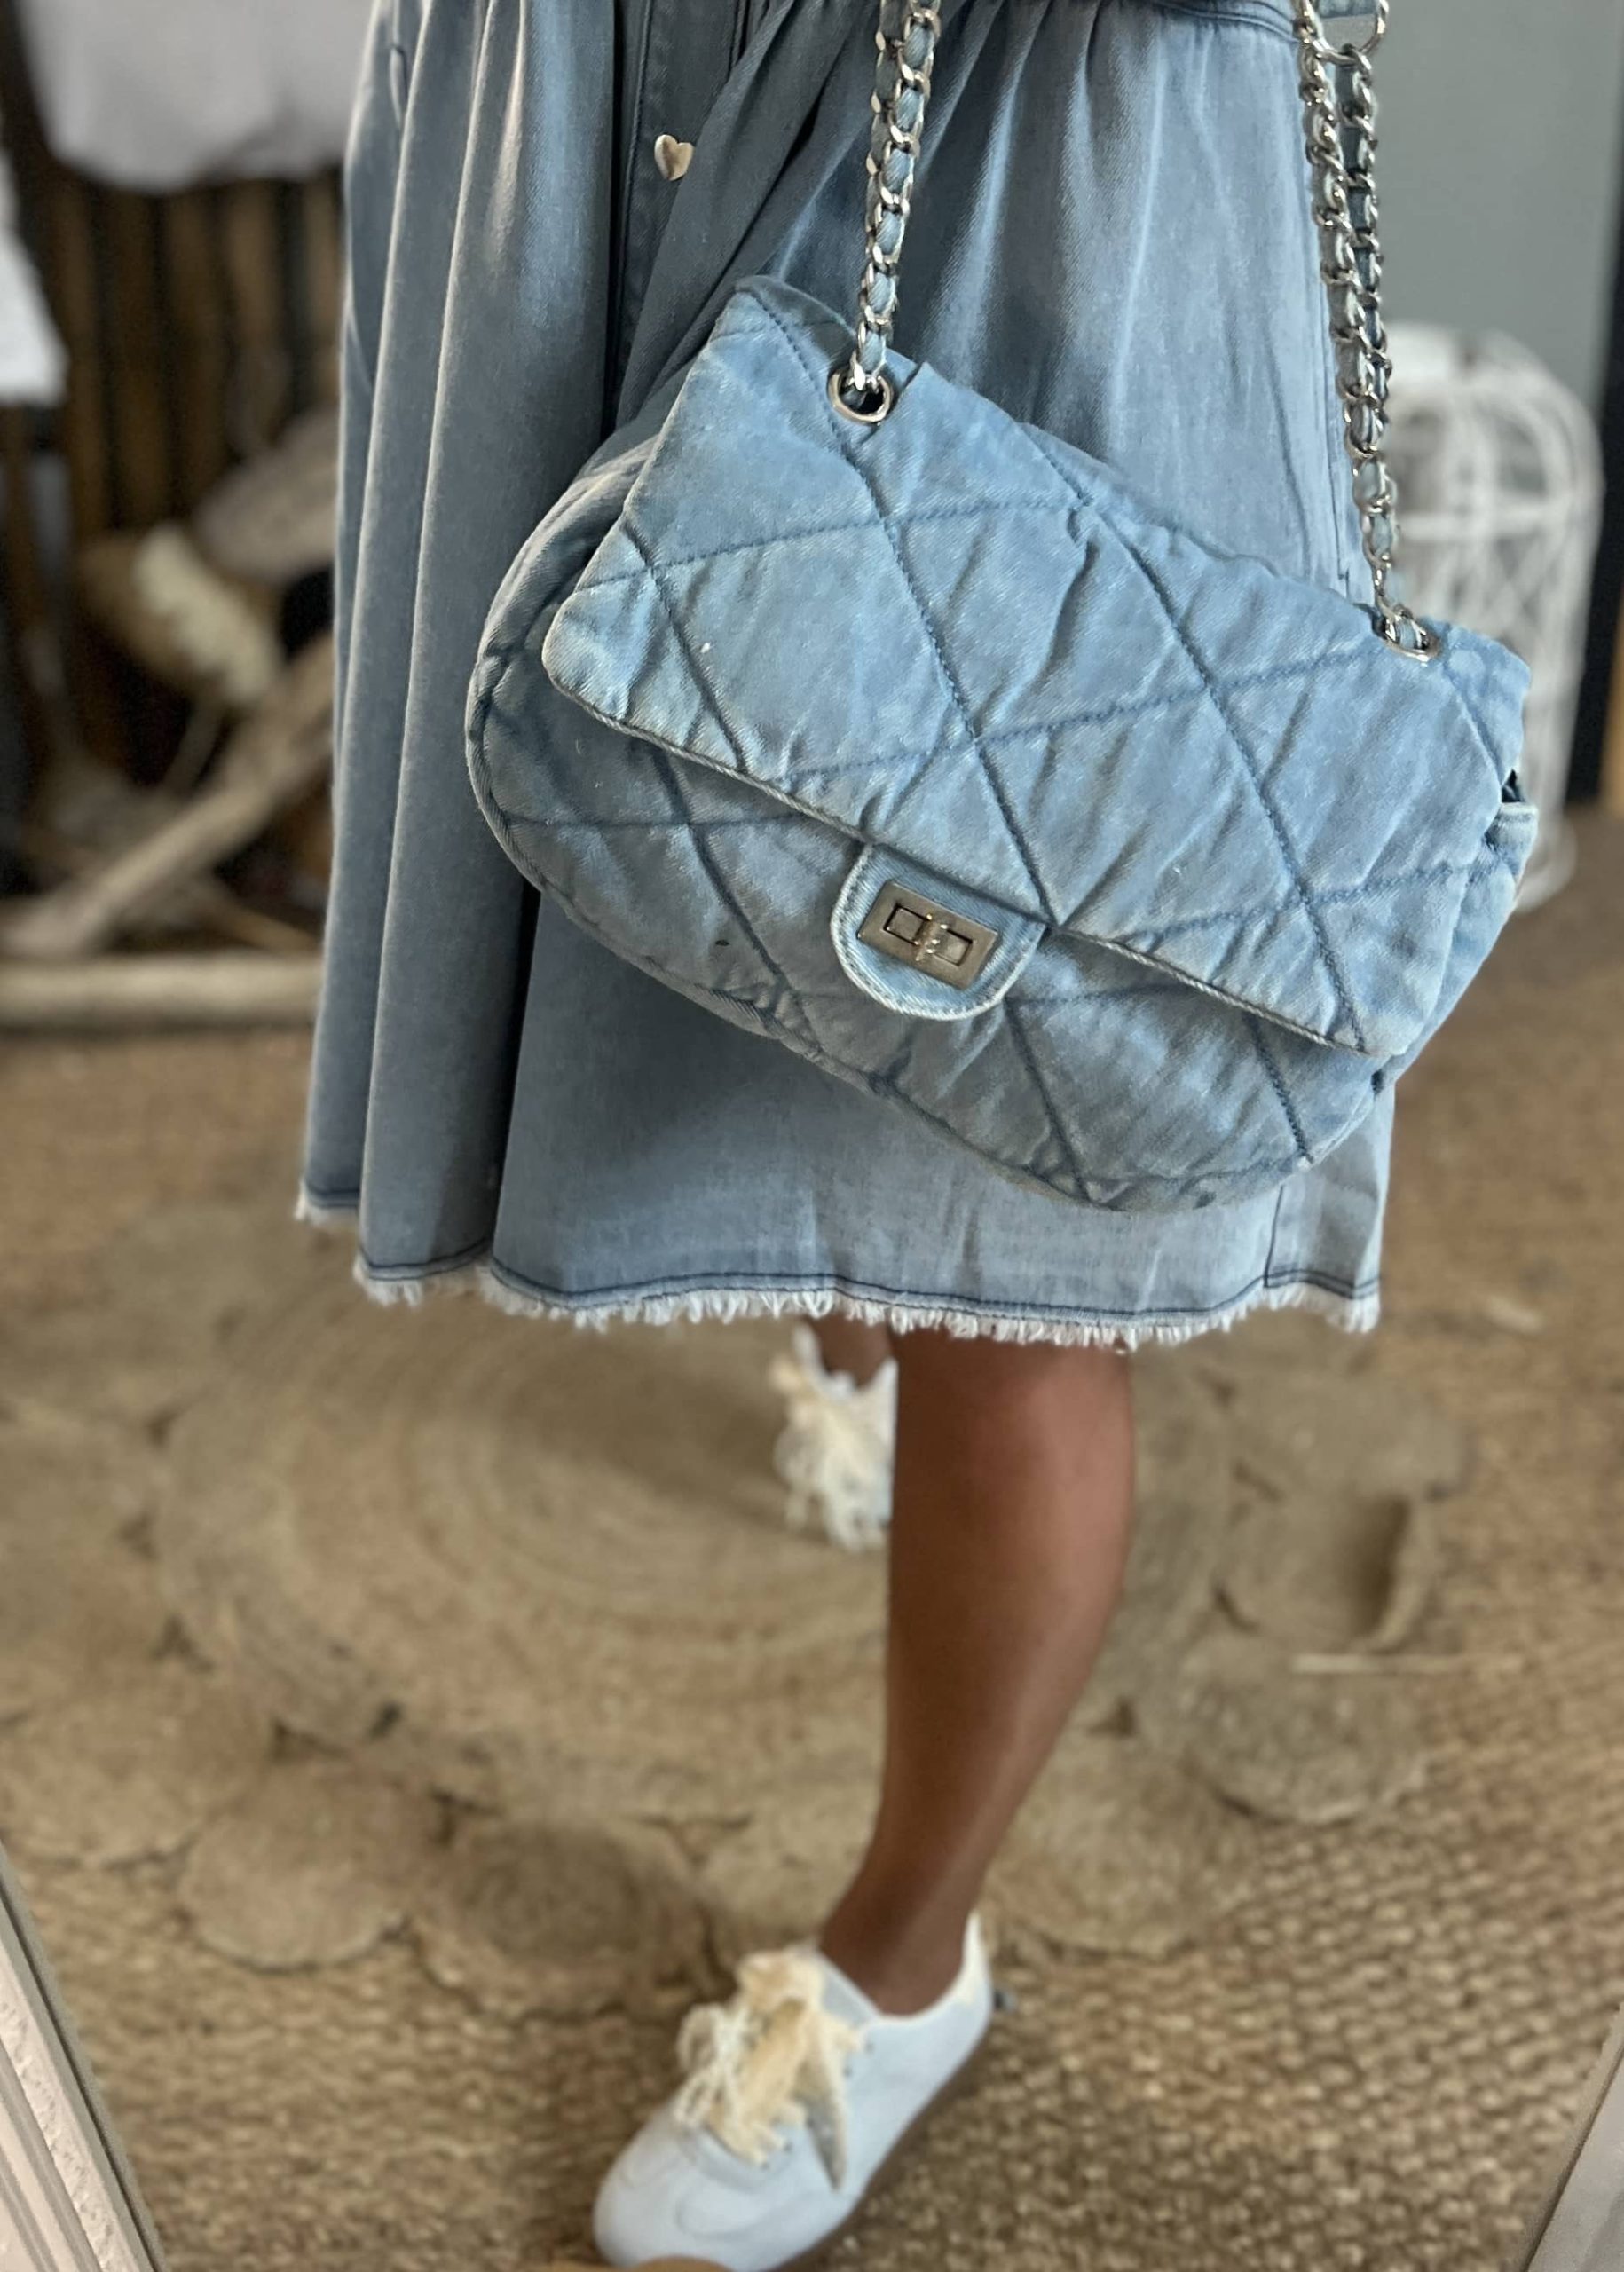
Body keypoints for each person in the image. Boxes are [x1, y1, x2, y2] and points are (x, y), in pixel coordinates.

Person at [301, 0, 1386, 2263]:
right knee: (708, 800)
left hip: (1044, 129)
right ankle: (844, 1333)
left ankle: (905, 1963)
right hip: (577, 87)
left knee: (1009, 1102)